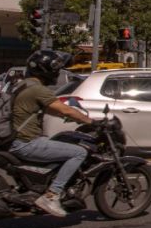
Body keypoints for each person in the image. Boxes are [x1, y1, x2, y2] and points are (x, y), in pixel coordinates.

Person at [9, 50, 95, 217]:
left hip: (15, 139)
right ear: (48, 71)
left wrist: (74, 117)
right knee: (79, 152)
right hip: (26, 143)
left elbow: (53, 110)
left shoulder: (23, 84)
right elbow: (63, 109)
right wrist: (91, 122)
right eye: (56, 70)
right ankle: (52, 195)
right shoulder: (38, 90)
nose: (57, 73)